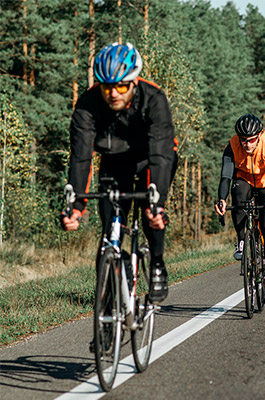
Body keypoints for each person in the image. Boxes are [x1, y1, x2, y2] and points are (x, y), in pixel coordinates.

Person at [60, 42, 178, 304]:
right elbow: (81, 156)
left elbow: (161, 154)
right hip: (115, 164)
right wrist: (76, 205)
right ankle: (108, 312)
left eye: (121, 86)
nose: (113, 93)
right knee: (109, 232)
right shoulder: (88, 105)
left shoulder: (154, 99)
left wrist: (157, 204)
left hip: (152, 160)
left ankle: (157, 264)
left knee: (150, 214)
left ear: (134, 82)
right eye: (106, 87)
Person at [214, 113, 265, 301]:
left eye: (251, 140)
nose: (247, 144)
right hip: (244, 179)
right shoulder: (232, 146)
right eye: (243, 140)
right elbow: (226, 177)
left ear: (259, 135)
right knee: (238, 196)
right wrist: (221, 199)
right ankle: (242, 238)